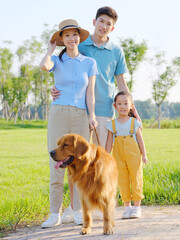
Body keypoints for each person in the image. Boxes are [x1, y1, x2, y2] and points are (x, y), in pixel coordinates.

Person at [51, 6, 140, 222]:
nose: (104, 26)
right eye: (101, 21)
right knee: (75, 161)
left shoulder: (116, 51)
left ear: (113, 27)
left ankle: (100, 205)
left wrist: (132, 108)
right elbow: (66, 70)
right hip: (80, 111)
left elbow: (121, 82)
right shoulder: (81, 45)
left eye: (108, 24)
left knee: (99, 162)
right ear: (94, 22)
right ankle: (75, 210)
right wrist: (53, 89)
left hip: (103, 112)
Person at [40, 19, 98, 228]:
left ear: (79, 37)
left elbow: (90, 93)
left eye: (75, 35)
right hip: (59, 113)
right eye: (67, 36)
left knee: (80, 165)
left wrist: (92, 115)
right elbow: (44, 66)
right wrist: (49, 49)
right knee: (56, 165)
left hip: (81, 115)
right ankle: (54, 213)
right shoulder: (57, 60)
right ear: (62, 39)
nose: (72, 39)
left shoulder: (89, 62)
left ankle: (77, 211)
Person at [105, 91, 148, 219]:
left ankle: (137, 207)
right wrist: (106, 157)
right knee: (122, 180)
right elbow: (108, 143)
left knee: (136, 179)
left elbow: (140, 140)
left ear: (131, 106)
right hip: (118, 156)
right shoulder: (111, 124)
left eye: (125, 103)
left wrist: (144, 155)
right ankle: (127, 207)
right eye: (119, 103)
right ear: (115, 106)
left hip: (134, 155)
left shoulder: (134, 123)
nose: (122, 106)